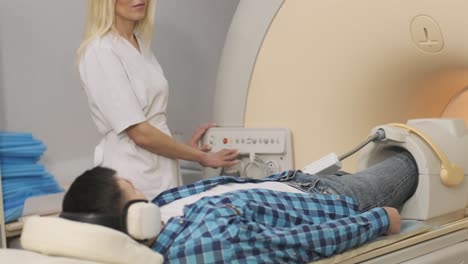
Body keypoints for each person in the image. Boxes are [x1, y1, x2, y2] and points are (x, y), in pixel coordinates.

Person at [63, 148, 418, 263]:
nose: (141, 189)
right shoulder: (205, 242)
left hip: (296, 182)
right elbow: (301, 243)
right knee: (414, 157)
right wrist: (374, 221)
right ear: (131, 218)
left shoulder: (158, 211)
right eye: (132, 189)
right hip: (335, 200)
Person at [76, 0, 239, 200]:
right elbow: (140, 133)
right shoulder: (100, 50)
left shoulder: (138, 44)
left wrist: (186, 149)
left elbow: (151, 123)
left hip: (160, 169)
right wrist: (201, 157)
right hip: (133, 174)